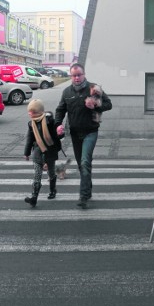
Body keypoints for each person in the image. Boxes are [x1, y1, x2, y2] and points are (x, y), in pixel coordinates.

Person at [55, 63, 112, 209]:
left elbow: (108, 104)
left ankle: (84, 195)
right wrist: (58, 124)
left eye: (79, 74)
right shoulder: (67, 92)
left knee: (85, 162)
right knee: (82, 165)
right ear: (71, 76)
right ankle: (88, 187)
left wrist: (96, 106)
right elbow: (60, 110)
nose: (76, 78)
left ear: (84, 74)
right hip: (75, 133)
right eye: (74, 75)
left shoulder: (93, 89)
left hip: (90, 131)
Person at [23, 99, 62, 207]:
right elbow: (30, 139)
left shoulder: (50, 121)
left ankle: (53, 190)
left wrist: (60, 133)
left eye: (33, 111)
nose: (30, 114)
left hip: (50, 151)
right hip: (37, 152)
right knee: (37, 174)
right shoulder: (31, 123)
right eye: (30, 111)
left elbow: (57, 136)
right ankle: (34, 198)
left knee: (51, 173)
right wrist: (26, 153)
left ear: (39, 112)